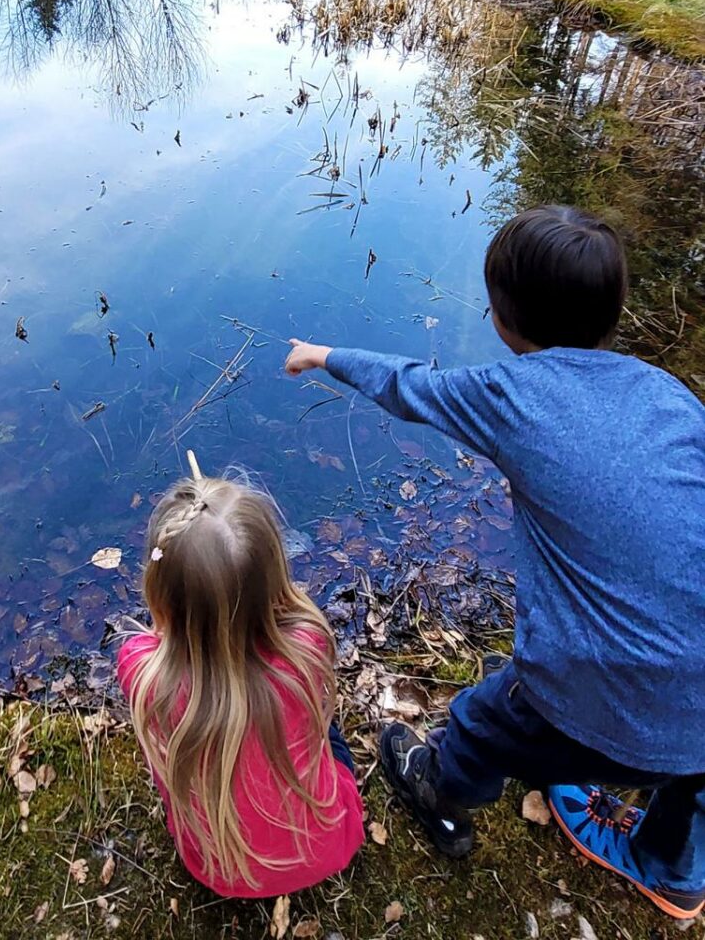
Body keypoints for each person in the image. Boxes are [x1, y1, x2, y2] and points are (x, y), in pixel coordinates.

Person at [284, 205, 705, 922]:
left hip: (601, 703)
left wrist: (321, 355)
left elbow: (409, 386)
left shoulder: (511, 395)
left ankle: (444, 795)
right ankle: (677, 873)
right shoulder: (668, 396)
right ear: (614, 311)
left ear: (505, 321)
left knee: (484, 721)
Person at [116, 473, 365, 898]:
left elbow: (155, 642)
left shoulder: (143, 672)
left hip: (219, 871)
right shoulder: (307, 647)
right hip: (330, 847)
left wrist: (179, 627)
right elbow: (290, 614)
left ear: (159, 593)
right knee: (326, 732)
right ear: (275, 582)